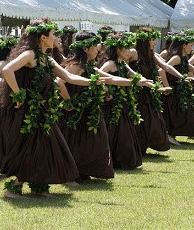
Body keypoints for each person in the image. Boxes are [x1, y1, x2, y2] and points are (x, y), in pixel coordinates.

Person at [0, 19, 111, 198]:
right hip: (29, 112)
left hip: (43, 112)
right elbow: (7, 70)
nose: (56, 38)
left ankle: (39, 187)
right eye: (53, 35)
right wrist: (19, 95)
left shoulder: (47, 59)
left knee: (45, 148)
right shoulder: (30, 55)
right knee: (29, 149)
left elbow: (69, 77)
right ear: (43, 37)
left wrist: (92, 81)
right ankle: (13, 188)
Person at [57, 32, 147, 178]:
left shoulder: (89, 66)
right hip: (75, 112)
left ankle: (83, 172)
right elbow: (59, 82)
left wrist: (135, 81)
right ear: (85, 49)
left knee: (92, 142)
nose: (97, 50)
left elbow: (110, 79)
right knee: (74, 143)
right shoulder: (74, 66)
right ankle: (70, 175)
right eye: (94, 47)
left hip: (89, 111)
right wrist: (68, 101)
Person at [100, 33, 153, 169]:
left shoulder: (122, 64)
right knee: (112, 131)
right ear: (118, 50)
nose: (129, 51)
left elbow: (134, 76)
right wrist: (107, 91)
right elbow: (96, 78)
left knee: (124, 133)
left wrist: (148, 83)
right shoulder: (110, 64)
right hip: (111, 105)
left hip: (123, 103)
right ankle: (110, 159)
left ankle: (121, 159)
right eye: (127, 48)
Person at [129, 27, 186, 154]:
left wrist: (182, 77)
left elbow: (166, 66)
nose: (155, 42)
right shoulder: (133, 53)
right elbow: (123, 68)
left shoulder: (153, 55)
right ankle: (137, 146)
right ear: (144, 40)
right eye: (152, 39)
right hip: (136, 93)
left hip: (149, 92)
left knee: (152, 119)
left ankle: (145, 144)